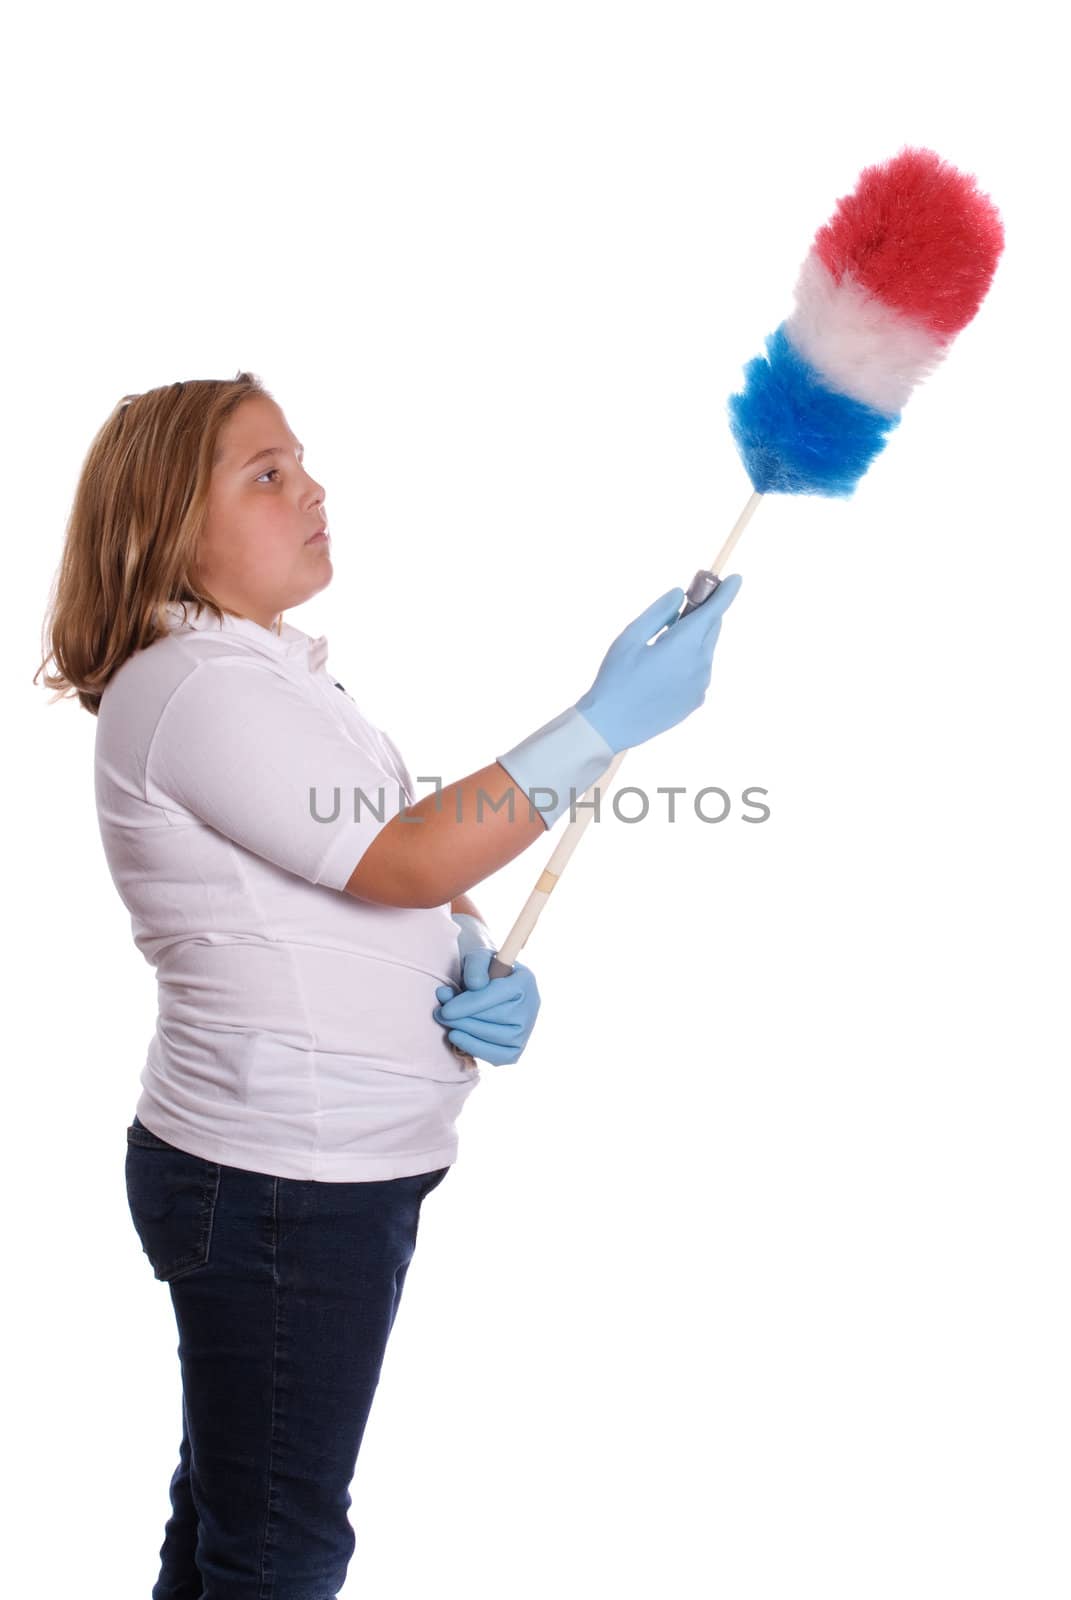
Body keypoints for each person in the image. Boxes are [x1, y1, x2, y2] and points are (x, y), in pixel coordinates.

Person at [36, 371, 742, 1598]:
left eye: (301, 460)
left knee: (234, 1508)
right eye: (267, 473)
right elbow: (403, 856)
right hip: (280, 1188)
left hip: (306, 1181)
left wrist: (467, 947)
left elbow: (391, 854)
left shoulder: (266, 677)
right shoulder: (194, 686)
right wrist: (598, 719)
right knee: (280, 1543)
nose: (312, 487)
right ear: (164, 521)